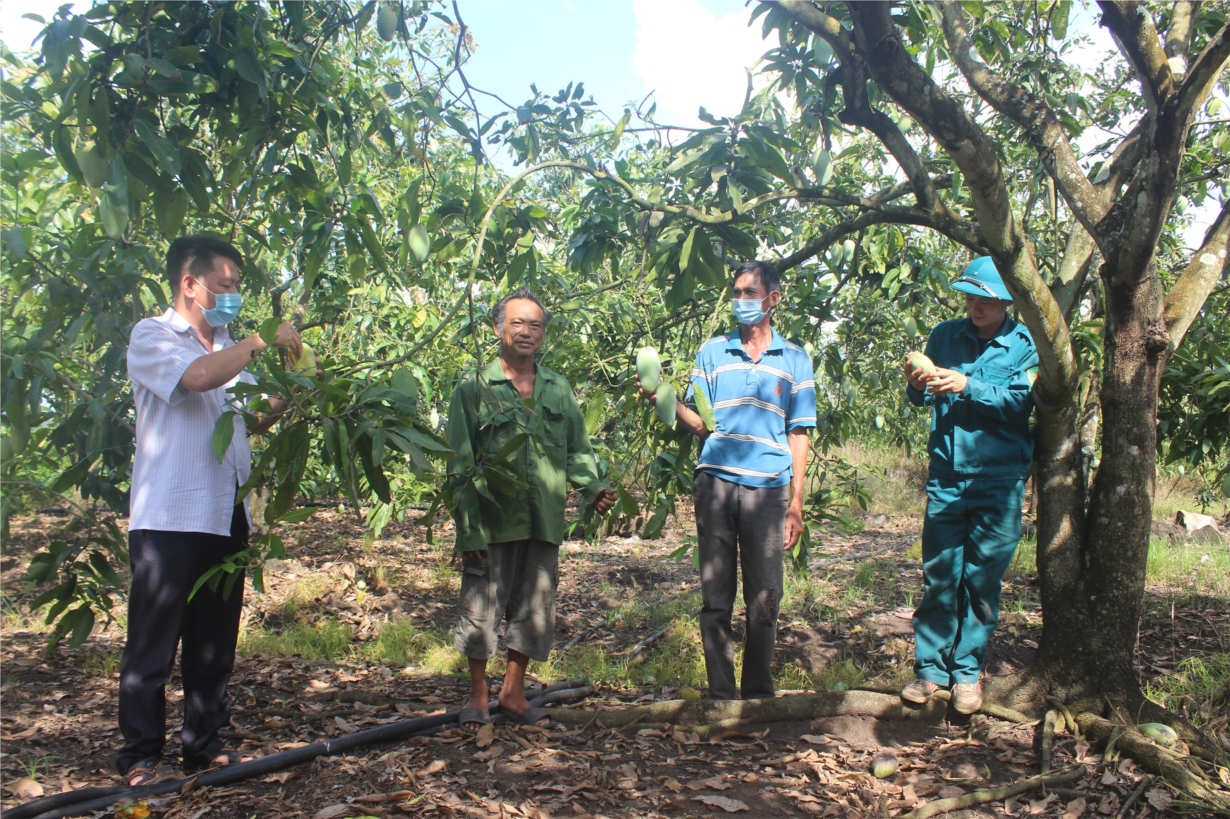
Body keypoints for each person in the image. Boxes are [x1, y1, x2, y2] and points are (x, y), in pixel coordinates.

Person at [119, 235, 304, 786]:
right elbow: (197, 380)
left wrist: (293, 393)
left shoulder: (227, 345)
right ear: (189, 284)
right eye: (225, 286)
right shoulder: (154, 336)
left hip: (227, 511)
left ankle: (203, 744)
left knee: (212, 640)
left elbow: (245, 420)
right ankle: (140, 757)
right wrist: (260, 340)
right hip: (170, 516)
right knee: (153, 641)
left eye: (237, 288)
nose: (232, 297)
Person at [642, 260, 816, 700]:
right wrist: (662, 395)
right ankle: (721, 695)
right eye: (736, 293)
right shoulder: (711, 352)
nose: (741, 301)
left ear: (773, 299)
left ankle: (758, 695)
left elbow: (799, 432)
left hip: (770, 489)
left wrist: (796, 502)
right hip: (716, 483)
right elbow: (703, 424)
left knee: (765, 599)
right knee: (716, 596)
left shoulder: (795, 359)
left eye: (749, 293)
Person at [447, 286, 618, 731]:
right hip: (492, 520)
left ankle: (514, 692)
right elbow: (460, 462)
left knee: (534, 609)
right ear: (497, 328)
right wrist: (468, 530)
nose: (526, 332)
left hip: (542, 517)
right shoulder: (473, 388)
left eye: (535, 325)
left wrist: (593, 487)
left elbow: (576, 450)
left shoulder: (557, 389)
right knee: (482, 607)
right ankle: (479, 694)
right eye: (517, 323)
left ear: (544, 333)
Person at [900, 256, 1038, 715]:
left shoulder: (1025, 343)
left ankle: (966, 674)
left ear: (1006, 300)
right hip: (947, 476)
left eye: (986, 298)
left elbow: (1021, 404)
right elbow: (921, 396)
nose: (975, 304)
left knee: (982, 582)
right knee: (940, 576)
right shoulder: (944, 335)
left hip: (999, 482)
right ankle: (930, 671)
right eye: (970, 295)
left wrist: (967, 385)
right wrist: (914, 381)